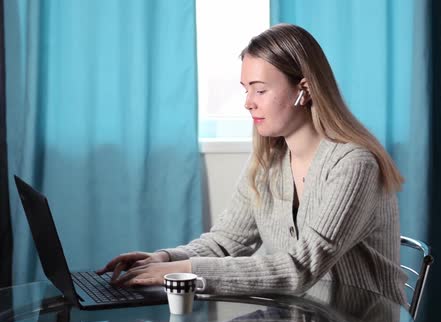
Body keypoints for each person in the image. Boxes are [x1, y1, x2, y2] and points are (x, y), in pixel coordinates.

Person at [98, 23, 407, 305]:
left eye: (260, 90)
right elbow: (227, 241)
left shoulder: (353, 164)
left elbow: (300, 267)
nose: (248, 102)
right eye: (246, 90)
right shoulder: (269, 160)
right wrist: (163, 258)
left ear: (305, 90)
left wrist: (179, 271)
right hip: (300, 319)